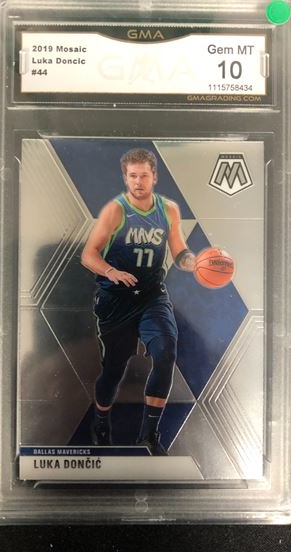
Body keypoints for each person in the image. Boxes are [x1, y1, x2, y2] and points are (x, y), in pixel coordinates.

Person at [81, 148, 195, 455]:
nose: (138, 182)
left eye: (144, 175)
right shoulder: (115, 211)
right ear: (125, 178)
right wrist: (111, 271)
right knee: (114, 370)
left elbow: (179, 251)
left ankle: (148, 436)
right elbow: (88, 254)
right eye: (133, 176)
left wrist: (193, 262)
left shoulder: (168, 210)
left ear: (154, 176)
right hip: (116, 299)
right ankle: (101, 421)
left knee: (166, 351)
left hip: (151, 295)